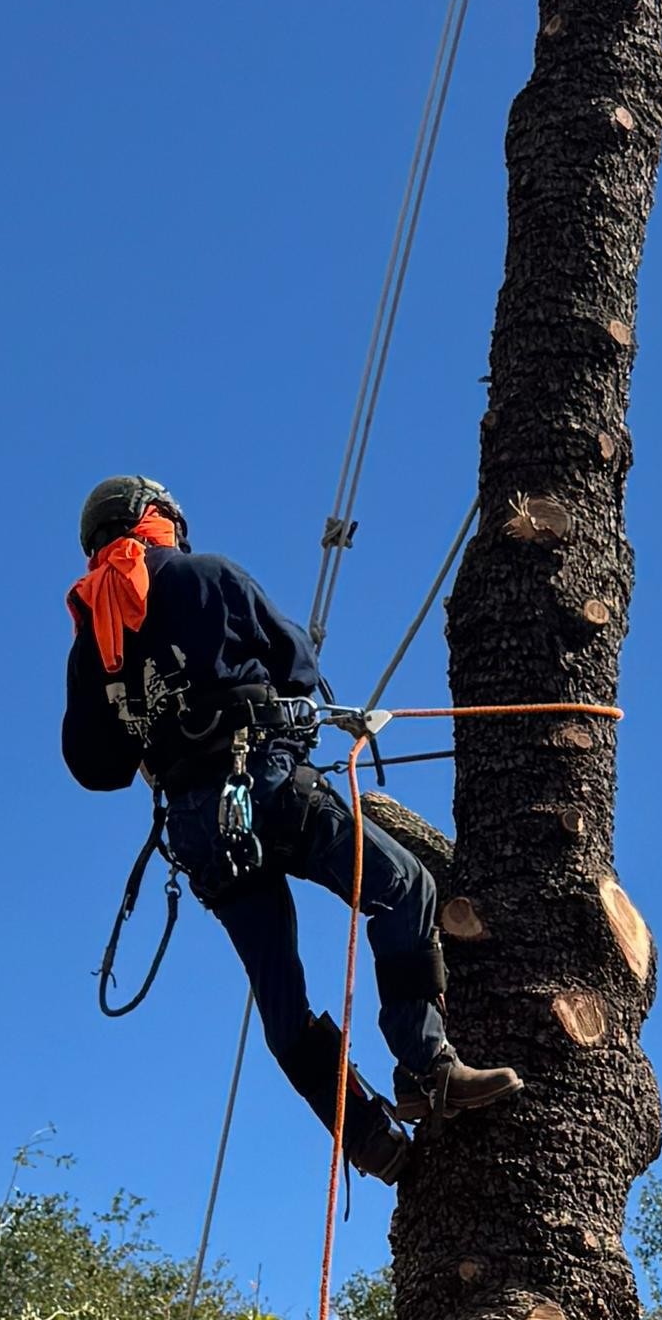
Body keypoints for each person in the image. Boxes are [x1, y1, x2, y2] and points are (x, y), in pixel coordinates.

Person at [58, 473, 516, 1179]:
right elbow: (297, 664)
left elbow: (95, 768)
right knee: (405, 886)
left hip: (202, 836)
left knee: (281, 998)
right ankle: (427, 1068)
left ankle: (367, 1138)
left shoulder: (92, 638)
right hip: (268, 790)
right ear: (155, 518)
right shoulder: (204, 575)